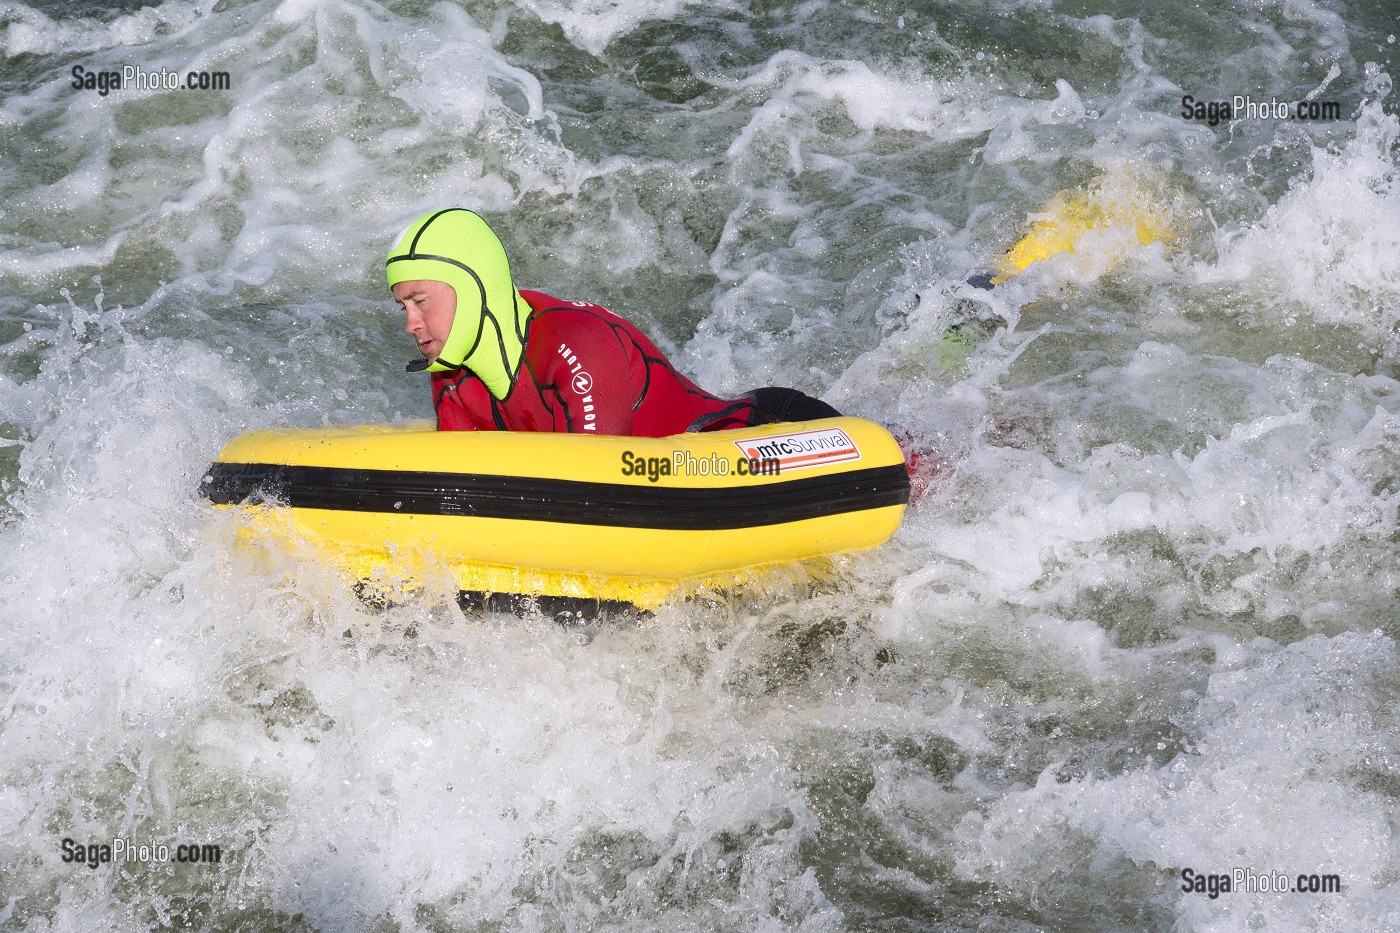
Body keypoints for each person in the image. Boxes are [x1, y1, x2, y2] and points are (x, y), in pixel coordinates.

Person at [386, 207, 840, 435]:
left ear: (473, 286)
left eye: (420, 301)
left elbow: (594, 489)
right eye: (403, 306)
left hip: (768, 432)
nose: (412, 323)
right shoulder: (450, 374)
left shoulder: (572, 343)